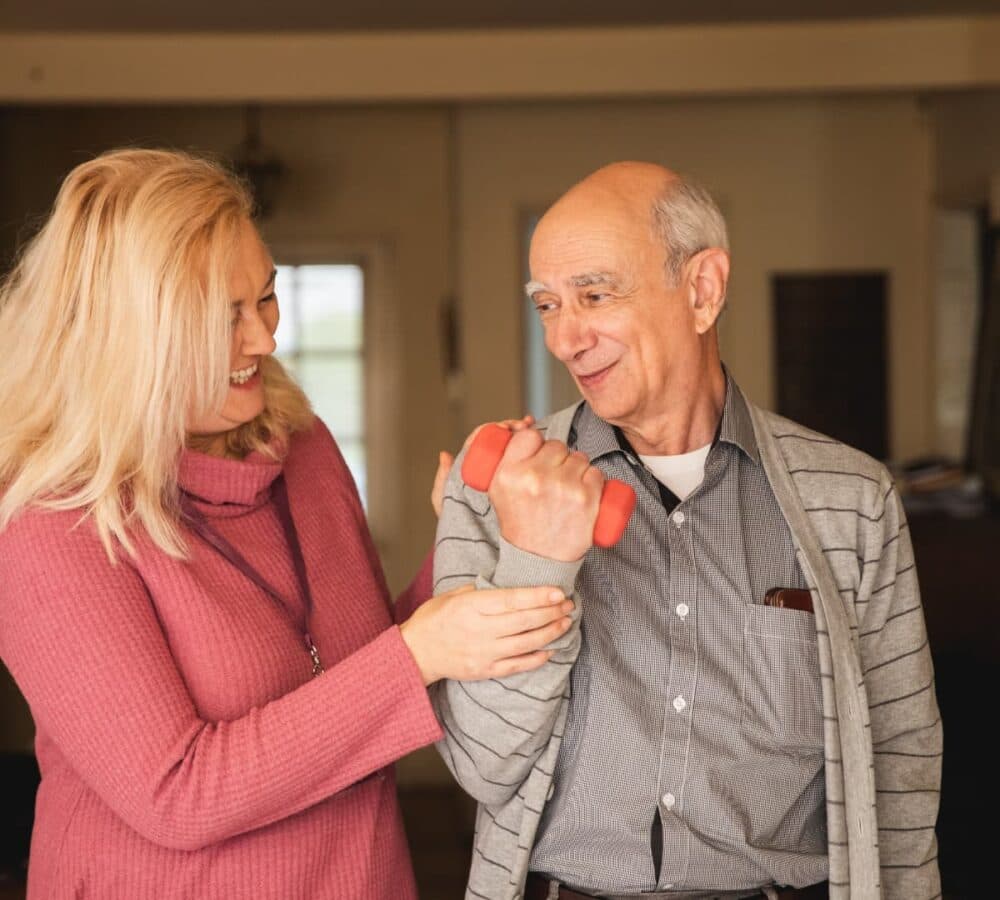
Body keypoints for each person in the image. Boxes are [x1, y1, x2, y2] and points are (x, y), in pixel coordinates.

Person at [0, 148, 577, 900]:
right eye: (224, 317)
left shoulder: (301, 445)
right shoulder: (49, 523)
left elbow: (352, 667)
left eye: (266, 298)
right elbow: (178, 793)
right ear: (128, 339)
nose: (265, 340)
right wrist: (419, 651)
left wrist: (469, 539)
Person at [432, 162, 942, 900]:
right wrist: (534, 558)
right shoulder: (486, 495)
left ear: (702, 289)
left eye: (595, 294)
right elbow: (482, 763)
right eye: (547, 304)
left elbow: (902, 762)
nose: (565, 338)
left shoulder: (852, 499)